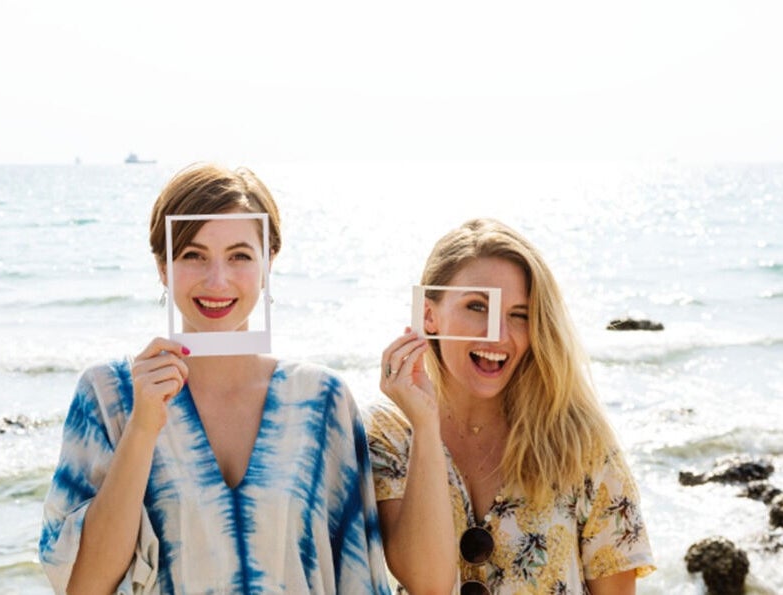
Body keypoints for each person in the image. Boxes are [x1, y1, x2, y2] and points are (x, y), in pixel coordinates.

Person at [39, 162, 391, 594]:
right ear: (162, 266)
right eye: (193, 255)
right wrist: (143, 428)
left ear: (269, 262)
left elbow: (358, 578)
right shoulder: (109, 394)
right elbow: (85, 586)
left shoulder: (322, 400)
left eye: (240, 256)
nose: (217, 279)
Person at [365, 218, 655, 595]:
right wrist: (424, 423)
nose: (498, 335)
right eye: (476, 306)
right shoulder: (388, 432)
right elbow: (429, 584)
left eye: (519, 314)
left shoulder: (578, 439)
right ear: (428, 315)